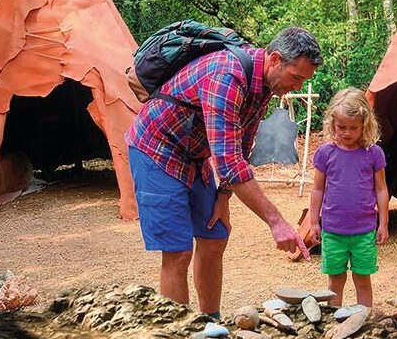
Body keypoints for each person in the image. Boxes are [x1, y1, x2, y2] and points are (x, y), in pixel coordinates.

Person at [126, 26, 321, 319]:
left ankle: (210, 324)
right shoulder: (226, 75)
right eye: (296, 77)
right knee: (178, 252)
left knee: (215, 236)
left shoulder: (264, 84)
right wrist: (276, 221)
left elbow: (241, 143)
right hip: (157, 150)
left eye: (304, 80)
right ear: (276, 59)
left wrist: (224, 195)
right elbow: (229, 162)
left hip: (194, 157)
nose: (297, 86)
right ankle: (180, 337)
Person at [305, 88, 389, 307]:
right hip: (333, 231)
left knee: (362, 280)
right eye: (342, 127)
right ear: (332, 123)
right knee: (335, 281)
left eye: (354, 128)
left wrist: (384, 224)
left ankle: (363, 324)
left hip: (364, 231)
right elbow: (317, 190)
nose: (347, 133)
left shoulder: (373, 153)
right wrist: (313, 222)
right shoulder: (325, 153)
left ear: (365, 125)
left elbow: (381, 190)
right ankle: (333, 324)